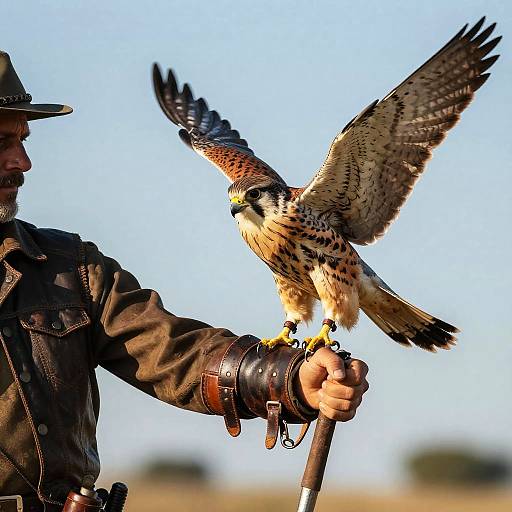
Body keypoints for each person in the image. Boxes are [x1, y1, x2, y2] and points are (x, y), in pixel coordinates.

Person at [0, 51, 369, 511]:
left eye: (23, 140)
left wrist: (288, 378)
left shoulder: (65, 267)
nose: (23, 161)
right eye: (2, 142)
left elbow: (170, 351)